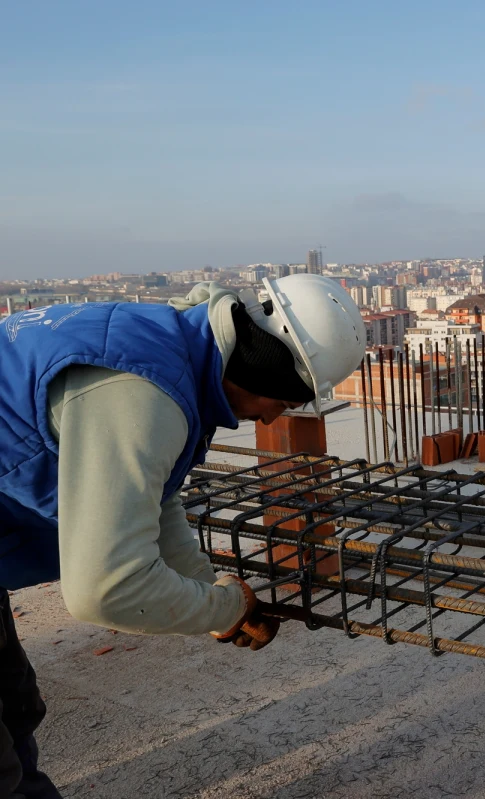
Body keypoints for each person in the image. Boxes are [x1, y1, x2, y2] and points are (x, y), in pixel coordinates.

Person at [0, 274, 367, 798]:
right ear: (263, 366)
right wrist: (221, 610)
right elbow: (107, 590)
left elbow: (151, 490)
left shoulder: (168, 348)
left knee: (16, 711)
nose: (269, 417)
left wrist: (211, 591)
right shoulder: (140, 395)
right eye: (284, 403)